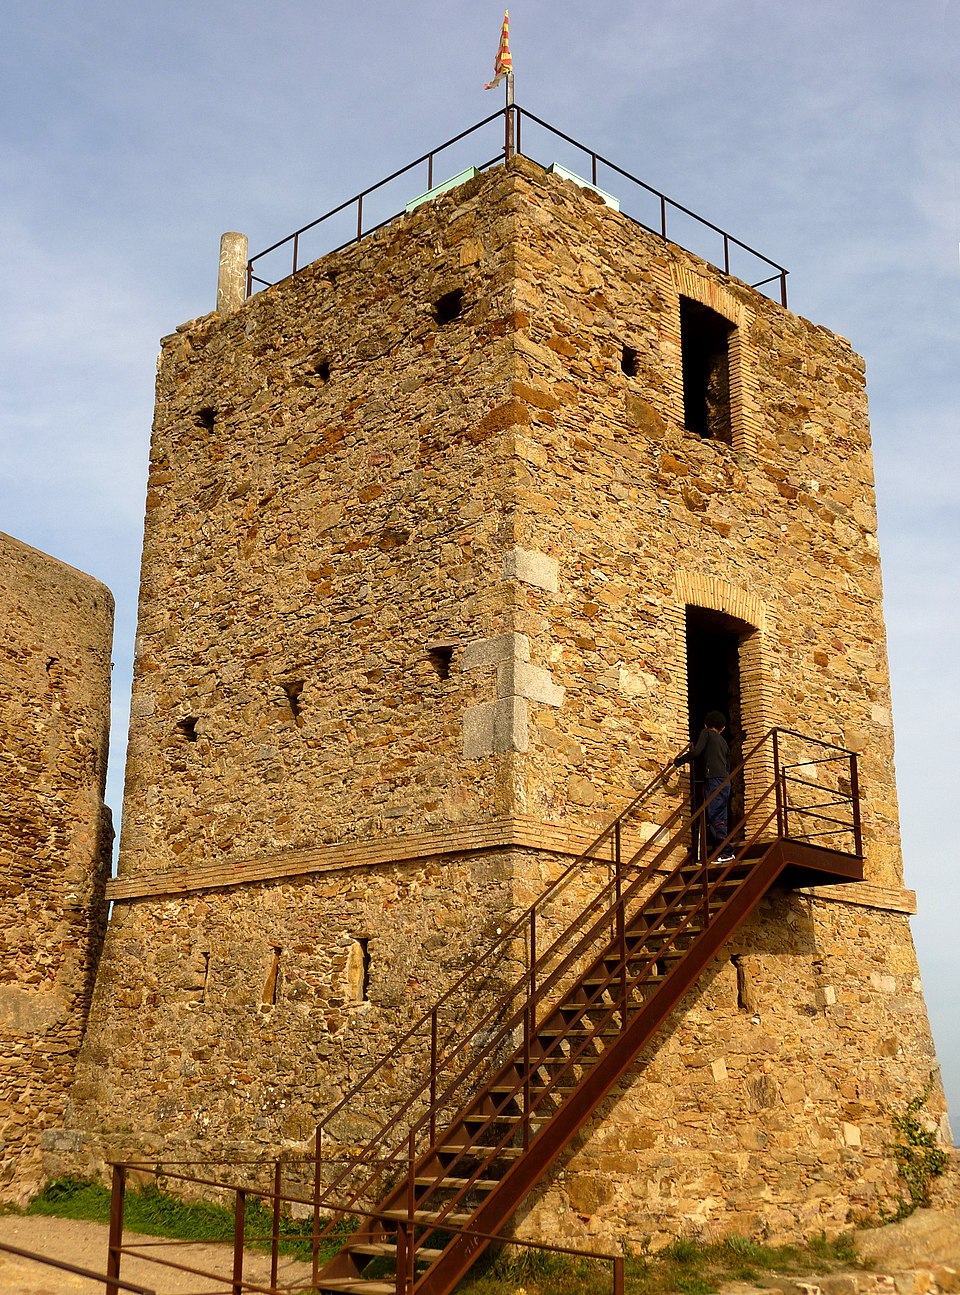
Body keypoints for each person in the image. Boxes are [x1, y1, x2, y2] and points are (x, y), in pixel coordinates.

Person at [674, 711, 735, 862]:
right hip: (725, 781)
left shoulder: (706, 733)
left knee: (714, 815)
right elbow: (728, 764)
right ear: (722, 729)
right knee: (720, 815)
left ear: (706, 724)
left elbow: (696, 752)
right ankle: (719, 850)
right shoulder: (724, 742)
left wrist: (677, 761)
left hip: (714, 780)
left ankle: (726, 851)